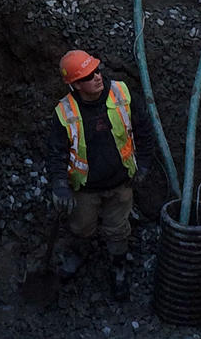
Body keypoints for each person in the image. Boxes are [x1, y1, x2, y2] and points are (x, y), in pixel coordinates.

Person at [46, 49, 151, 302]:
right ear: (75, 85)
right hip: (85, 189)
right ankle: (80, 254)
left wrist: (144, 164)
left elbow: (144, 130)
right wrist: (60, 186)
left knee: (118, 230)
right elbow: (56, 152)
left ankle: (118, 269)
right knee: (81, 228)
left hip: (120, 182)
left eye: (96, 71)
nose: (97, 77)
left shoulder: (121, 94)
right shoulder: (65, 112)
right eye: (88, 76)